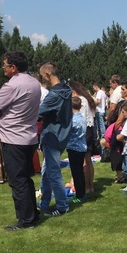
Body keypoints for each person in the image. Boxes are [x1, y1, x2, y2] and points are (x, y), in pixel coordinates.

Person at [0, 51, 42, 231]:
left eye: (5, 65)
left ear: (13, 67)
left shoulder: (12, 85)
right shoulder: (34, 82)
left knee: (17, 180)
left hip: (13, 138)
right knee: (26, 178)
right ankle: (32, 214)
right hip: (29, 136)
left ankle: (26, 220)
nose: (3, 68)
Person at [37, 63, 73, 217]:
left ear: (47, 74)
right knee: (47, 173)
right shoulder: (67, 90)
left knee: (54, 174)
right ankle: (44, 203)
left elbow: (38, 114)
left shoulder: (54, 95)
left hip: (52, 136)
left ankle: (62, 206)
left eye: (41, 75)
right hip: (62, 135)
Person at [67, 96, 88, 203]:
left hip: (74, 149)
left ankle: (79, 195)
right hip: (82, 148)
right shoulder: (82, 117)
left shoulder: (73, 120)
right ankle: (82, 193)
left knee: (76, 173)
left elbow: (67, 133)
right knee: (79, 171)